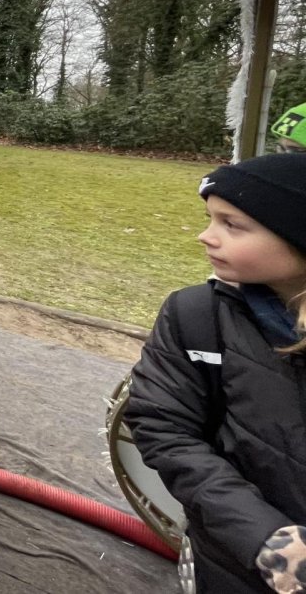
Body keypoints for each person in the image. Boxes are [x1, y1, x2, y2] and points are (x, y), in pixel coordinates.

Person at [125, 152, 306, 594]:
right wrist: (264, 536)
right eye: (210, 219)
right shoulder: (196, 317)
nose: (205, 236)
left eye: (232, 224)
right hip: (235, 566)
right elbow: (163, 427)